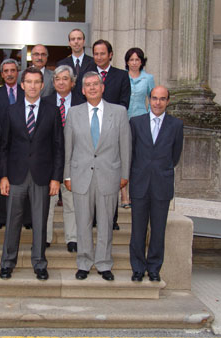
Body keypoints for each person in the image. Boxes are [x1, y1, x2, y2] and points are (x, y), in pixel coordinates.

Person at [64, 71, 131, 281]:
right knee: (82, 221)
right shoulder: (73, 113)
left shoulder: (119, 112)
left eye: (96, 84)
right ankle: (84, 262)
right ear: (82, 90)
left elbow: (125, 146)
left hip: (109, 175)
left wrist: (125, 174)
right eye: (88, 85)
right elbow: (69, 146)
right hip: (80, 174)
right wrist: (67, 175)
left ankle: (103, 263)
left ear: (103, 88)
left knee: (105, 223)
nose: (92, 88)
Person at [0, 67, 64, 281]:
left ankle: (39, 263)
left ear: (43, 85)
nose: (33, 86)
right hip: (16, 175)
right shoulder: (11, 110)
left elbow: (58, 147)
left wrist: (56, 177)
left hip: (42, 175)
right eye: (29, 82)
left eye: (37, 82)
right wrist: (3, 176)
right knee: (13, 220)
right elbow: (4, 147)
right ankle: (8, 263)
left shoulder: (52, 111)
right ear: (22, 85)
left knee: (40, 221)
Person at [129, 85, 183, 282]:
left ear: (168, 101)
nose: (157, 102)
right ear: (148, 100)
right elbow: (132, 153)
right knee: (137, 230)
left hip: (162, 185)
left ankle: (154, 269)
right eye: (154, 98)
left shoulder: (176, 125)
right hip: (140, 184)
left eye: (162, 99)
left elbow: (175, 156)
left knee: (158, 231)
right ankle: (137, 268)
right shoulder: (136, 123)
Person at [44, 65, 85, 252]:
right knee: (47, 202)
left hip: (74, 161)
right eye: (57, 78)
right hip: (49, 161)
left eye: (65, 78)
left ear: (73, 82)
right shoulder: (44, 102)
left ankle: (73, 239)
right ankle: (44, 238)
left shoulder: (82, 102)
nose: (61, 82)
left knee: (71, 202)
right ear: (53, 82)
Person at [92, 39, 132, 230]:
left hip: (112, 133)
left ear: (110, 54)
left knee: (110, 176)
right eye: (96, 54)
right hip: (90, 132)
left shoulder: (122, 76)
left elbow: (124, 103)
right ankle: (92, 218)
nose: (99, 57)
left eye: (102, 53)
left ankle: (111, 218)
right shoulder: (87, 75)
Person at [0, 59, 32, 230]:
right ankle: (0, 217)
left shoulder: (25, 92)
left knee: (26, 180)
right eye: (5, 71)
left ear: (18, 72)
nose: (9, 74)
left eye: (12, 70)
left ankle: (27, 219)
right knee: (3, 179)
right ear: (2, 73)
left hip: (23, 144)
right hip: (3, 144)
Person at [120, 47, 155, 208]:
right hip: (124, 120)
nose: (134, 63)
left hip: (141, 121)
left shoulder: (148, 78)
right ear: (127, 61)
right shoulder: (121, 76)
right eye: (131, 60)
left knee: (136, 158)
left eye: (137, 60)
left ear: (142, 61)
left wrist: (149, 119)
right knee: (122, 156)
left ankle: (135, 193)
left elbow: (153, 99)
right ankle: (124, 195)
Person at [56, 28, 96, 97]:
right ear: (69, 43)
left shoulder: (93, 62)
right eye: (73, 39)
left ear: (84, 41)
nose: (76, 41)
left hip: (87, 102)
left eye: (79, 39)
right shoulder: (61, 64)